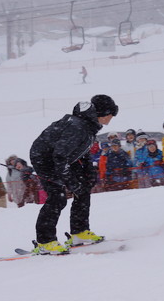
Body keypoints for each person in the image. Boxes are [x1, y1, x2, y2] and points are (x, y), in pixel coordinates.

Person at [29, 94, 118, 254]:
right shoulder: (78, 127)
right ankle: (45, 241)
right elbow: (60, 156)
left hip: (62, 158)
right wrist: (70, 181)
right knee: (58, 197)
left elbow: (80, 150)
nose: (112, 118)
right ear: (103, 114)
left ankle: (79, 232)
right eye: (111, 114)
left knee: (84, 187)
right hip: (45, 159)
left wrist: (88, 171)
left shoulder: (88, 125)